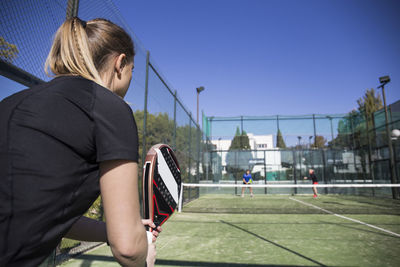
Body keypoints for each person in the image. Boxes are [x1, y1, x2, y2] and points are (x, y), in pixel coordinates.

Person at [0, 17, 159, 267]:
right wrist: (143, 259)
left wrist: (114, 229)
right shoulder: (112, 110)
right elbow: (128, 249)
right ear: (120, 63)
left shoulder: (12, 104)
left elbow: (46, 212)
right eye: (132, 71)